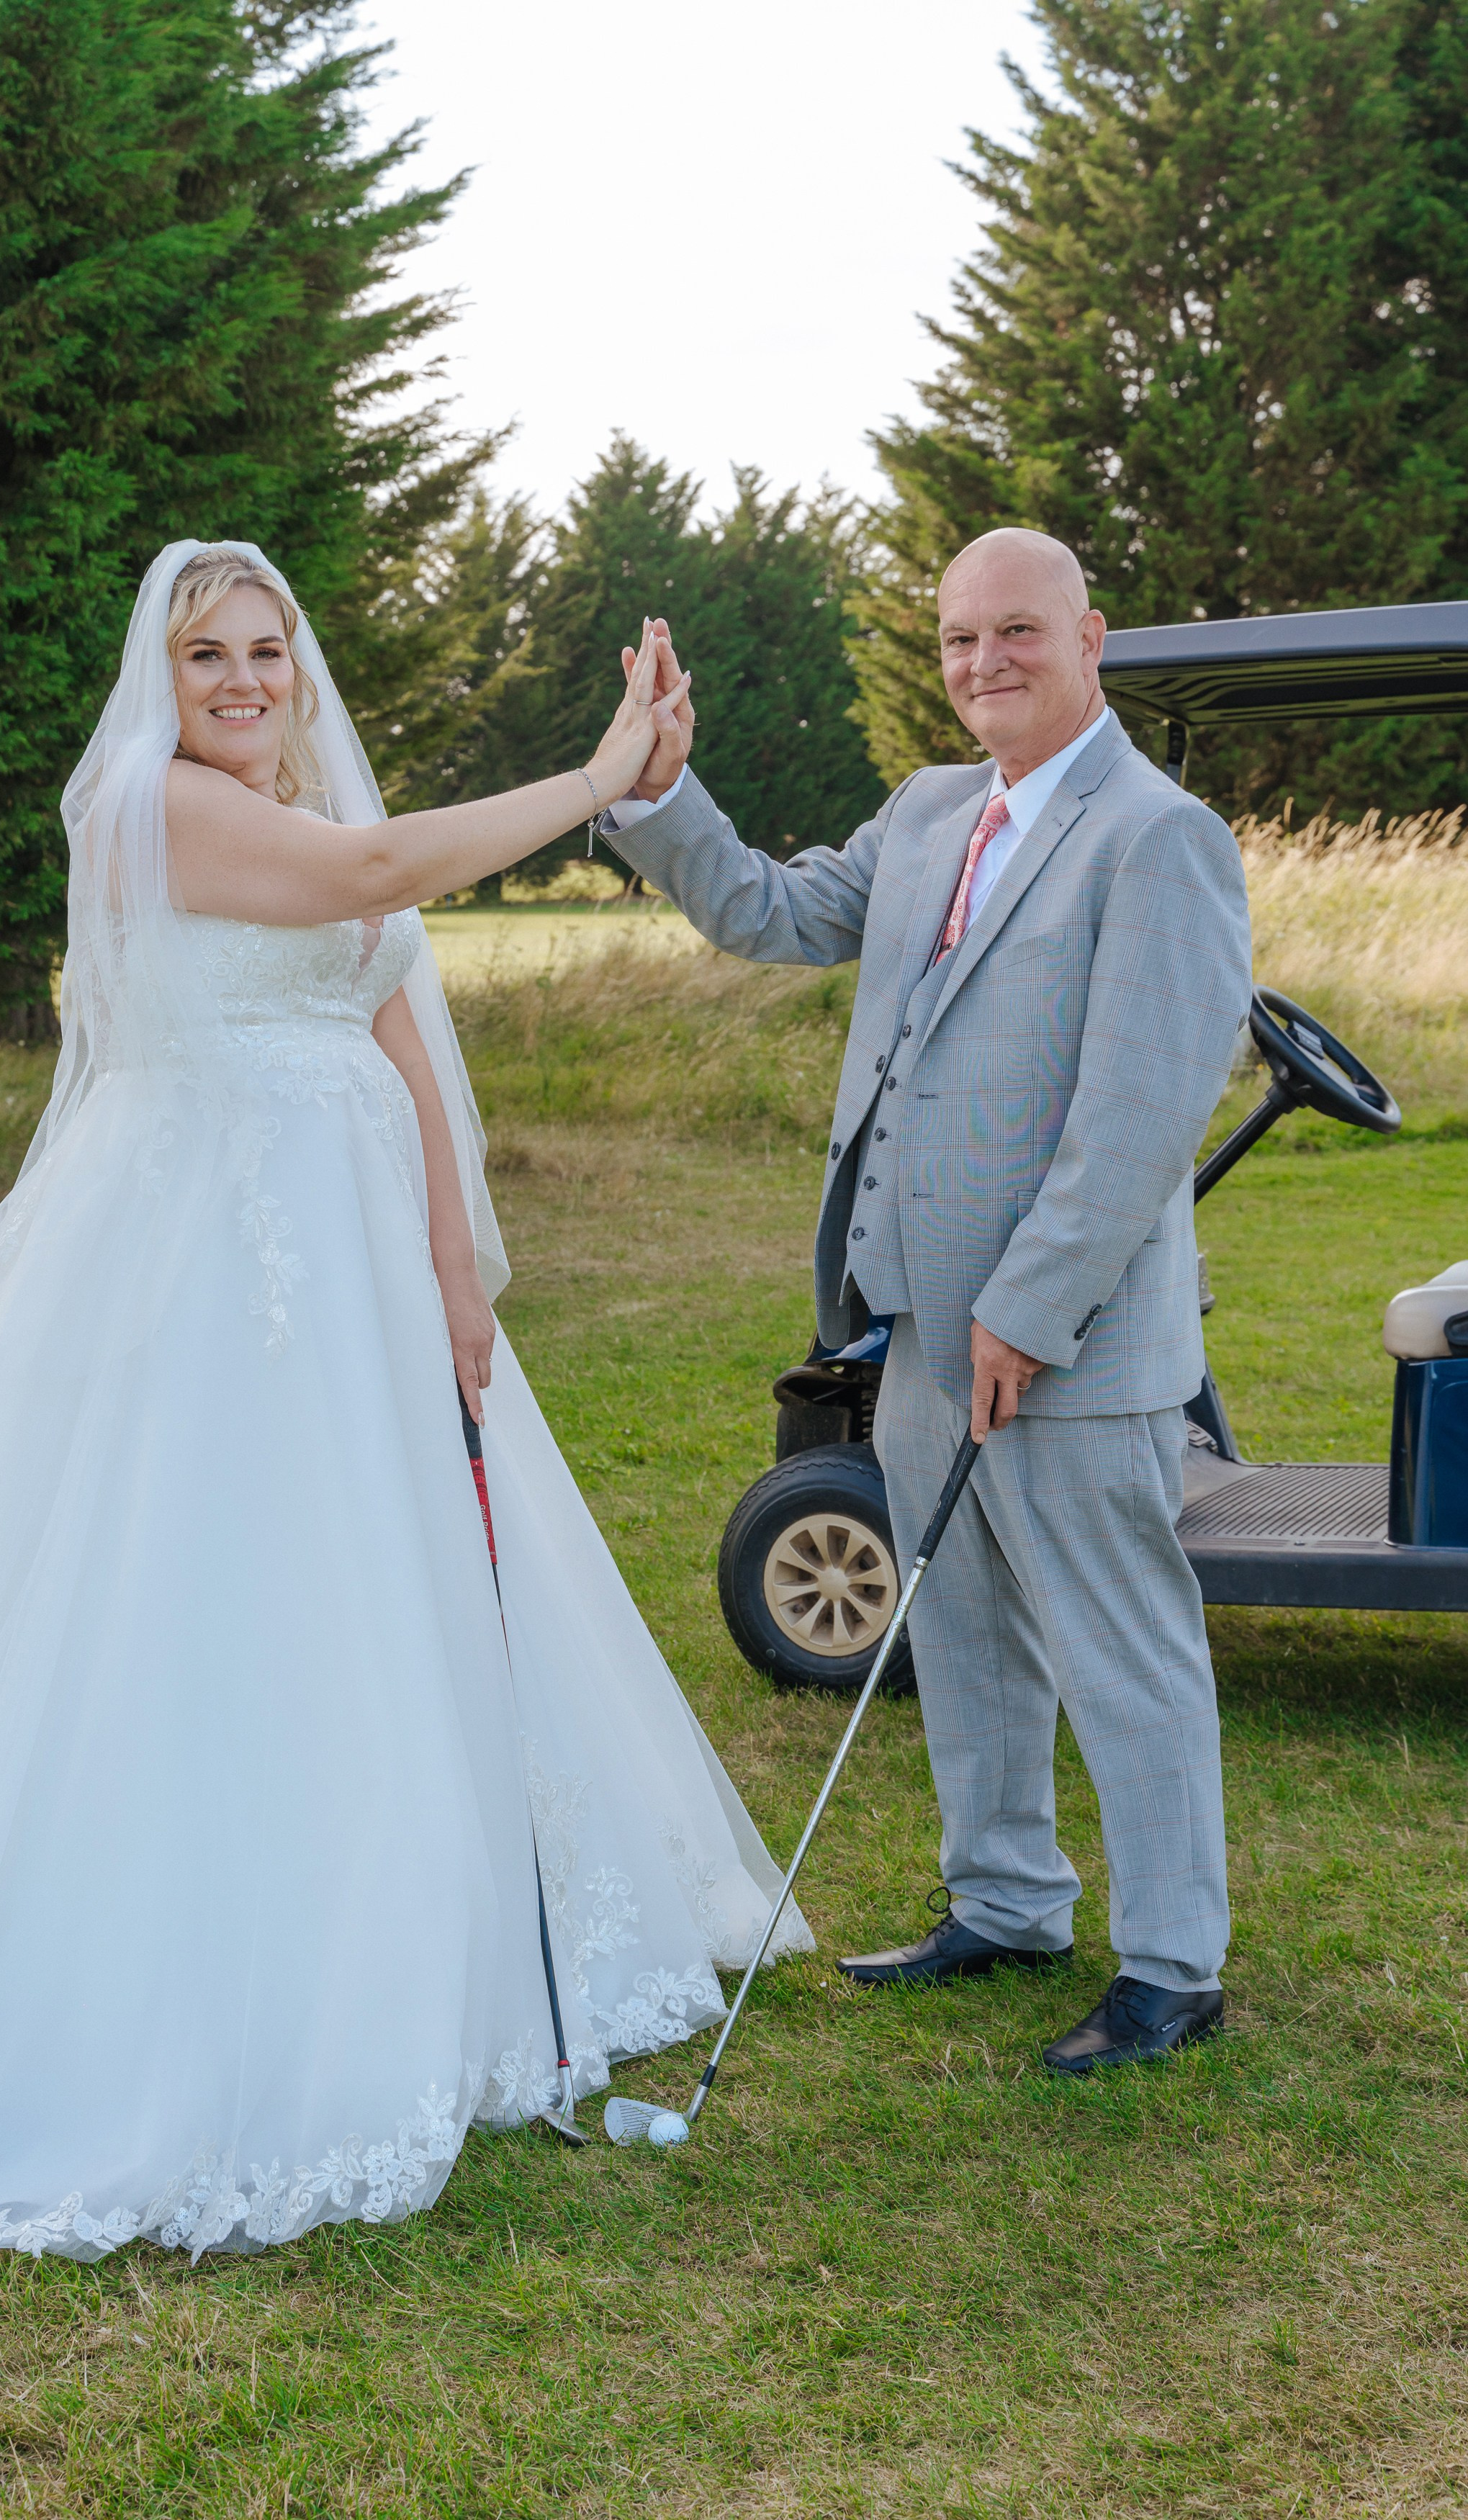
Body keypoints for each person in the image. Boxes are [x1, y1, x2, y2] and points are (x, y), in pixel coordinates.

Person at [0, 540, 809, 2263]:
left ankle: (440, 1904)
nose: (247, 681)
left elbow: (392, 1008)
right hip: (203, 1261)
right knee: (204, 1583)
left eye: (269, 651)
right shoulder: (151, 805)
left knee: (384, 1579)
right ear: (162, 680)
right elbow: (385, 873)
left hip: (361, 1256)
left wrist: (454, 1260)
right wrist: (596, 778)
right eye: (211, 657)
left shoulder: (303, 800)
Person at [598, 529, 1251, 2074]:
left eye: (1016, 630)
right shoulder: (927, 810)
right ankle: (1007, 1902)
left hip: (1063, 1343)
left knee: (1123, 1653)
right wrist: (659, 788)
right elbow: (765, 911)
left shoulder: (1158, 837)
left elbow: (1140, 1113)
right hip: (913, 1333)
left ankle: (1174, 1968)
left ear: (1090, 636)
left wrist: (1029, 1309)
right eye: (960, 637)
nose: (982, 662)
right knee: (961, 1633)